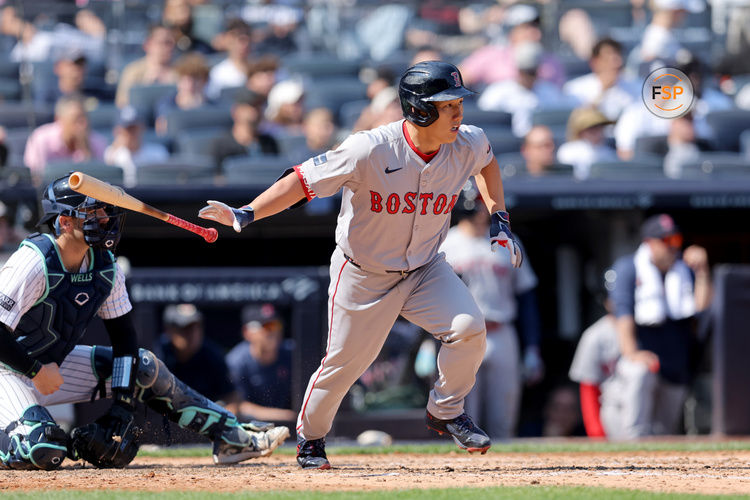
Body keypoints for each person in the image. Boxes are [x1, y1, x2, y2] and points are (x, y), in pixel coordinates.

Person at [198, 61, 523, 469]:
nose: (459, 112)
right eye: (447, 104)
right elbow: (301, 180)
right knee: (344, 365)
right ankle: (311, 440)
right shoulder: (369, 148)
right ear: (420, 110)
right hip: (364, 274)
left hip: (425, 268)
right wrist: (246, 212)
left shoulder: (468, 142)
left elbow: (488, 163)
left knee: (469, 329)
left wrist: (500, 217)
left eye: (459, 102)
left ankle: (445, 411)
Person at [0, 176, 289, 470]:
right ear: (64, 222)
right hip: (7, 371)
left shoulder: (105, 265)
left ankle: (232, 436)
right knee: (44, 447)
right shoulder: (34, 260)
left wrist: (122, 405)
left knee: (145, 368)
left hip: (49, 367)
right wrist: (35, 371)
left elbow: (124, 340)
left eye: (103, 212)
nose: (104, 219)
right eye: (93, 213)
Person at [439, 194, 542, 440]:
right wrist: (425, 342)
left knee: (503, 417)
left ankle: (507, 473)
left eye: (482, 204)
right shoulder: (445, 242)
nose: (481, 211)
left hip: (501, 330)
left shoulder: (507, 241)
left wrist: (532, 347)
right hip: (460, 334)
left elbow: (526, 296)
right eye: (475, 205)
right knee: (461, 414)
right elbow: (430, 298)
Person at [605, 214, 712, 438]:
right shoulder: (629, 268)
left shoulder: (684, 269)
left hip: (675, 364)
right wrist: (632, 352)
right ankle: (632, 444)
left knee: (666, 433)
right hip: (645, 358)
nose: (673, 247)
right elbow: (622, 312)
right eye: (666, 241)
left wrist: (702, 271)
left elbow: (701, 310)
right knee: (640, 373)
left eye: (676, 240)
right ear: (649, 243)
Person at [477, 42, 573, 137]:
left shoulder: (549, 91)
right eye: (525, 72)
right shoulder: (497, 92)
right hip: (511, 141)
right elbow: (485, 121)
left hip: (539, 143)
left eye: (532, 72)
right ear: (519, 70)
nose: (529, 77)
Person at [225, 303, 296, 422]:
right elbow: (237, 405)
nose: (273, 331)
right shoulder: (236, 361)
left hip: (292, 430)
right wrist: (287, 415)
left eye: (276, 325)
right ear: (247, 332)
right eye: (266, 326)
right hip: (250, 430)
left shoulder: (293, 353)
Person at [568, 279, 620, 439]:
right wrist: (596, 432)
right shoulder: (595, 335)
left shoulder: (650, 326)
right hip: (612, 406)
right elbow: (588, 387)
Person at [158, 304, 237, 405]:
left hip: (206, 417)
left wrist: (220, 418)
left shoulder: (212, 355)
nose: (192, 334)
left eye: (196, 327)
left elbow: (232, 398)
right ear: (169, 330)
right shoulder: (158, 356)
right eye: (185, 328)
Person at [23, 95, 108, 186]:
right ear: (59, 119)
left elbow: (102, 182)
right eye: (77, 119)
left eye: (85, 118)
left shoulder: (98, 141)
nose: (83, 124)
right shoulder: (40, 139)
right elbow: (36, 179)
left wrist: (86, 150)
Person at [563, 38, 637, 121]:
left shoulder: (635, 85)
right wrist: (603, 90)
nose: (616, 64)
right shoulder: (575, 89)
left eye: (617, 57)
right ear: (595, 62)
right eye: (608, 59)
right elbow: (577, 122)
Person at [209, 89, 279, 175]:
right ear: (236, 111)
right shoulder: (221, 145)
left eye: (259, 106)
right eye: (252, 106)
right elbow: (217, 180)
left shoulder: (269, 142)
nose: (256, 111)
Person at [104, 106, 169, 187]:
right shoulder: (111, 153)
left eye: (134, 129)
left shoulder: (158, 153)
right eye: (128, 129)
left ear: (142, 128)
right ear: (118, 131)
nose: (131, 134)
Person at [115, 25, 177, 108]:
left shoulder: (180, 71)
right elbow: (121, 104)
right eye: (163, 42)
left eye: (171, 43)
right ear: (147, 44)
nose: (168, 48)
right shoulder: (133, 71)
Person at [154, 52, 214, 135]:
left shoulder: (213, 105)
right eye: (185, 80)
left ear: (205, 81)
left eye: (196, 80)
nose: (190, 85)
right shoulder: (166, 104)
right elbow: (161, 132)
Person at [557, 107, 617, 180]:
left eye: (600, 127)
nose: (598, 132)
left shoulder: (608, 153)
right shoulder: (567, 151)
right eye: (592, 129)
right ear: (581, 131)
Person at [206, 19, 252, 100]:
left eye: (246, 38)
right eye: (238, 38)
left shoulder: (260, 70)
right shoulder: (218, 73)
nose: (244, 44)